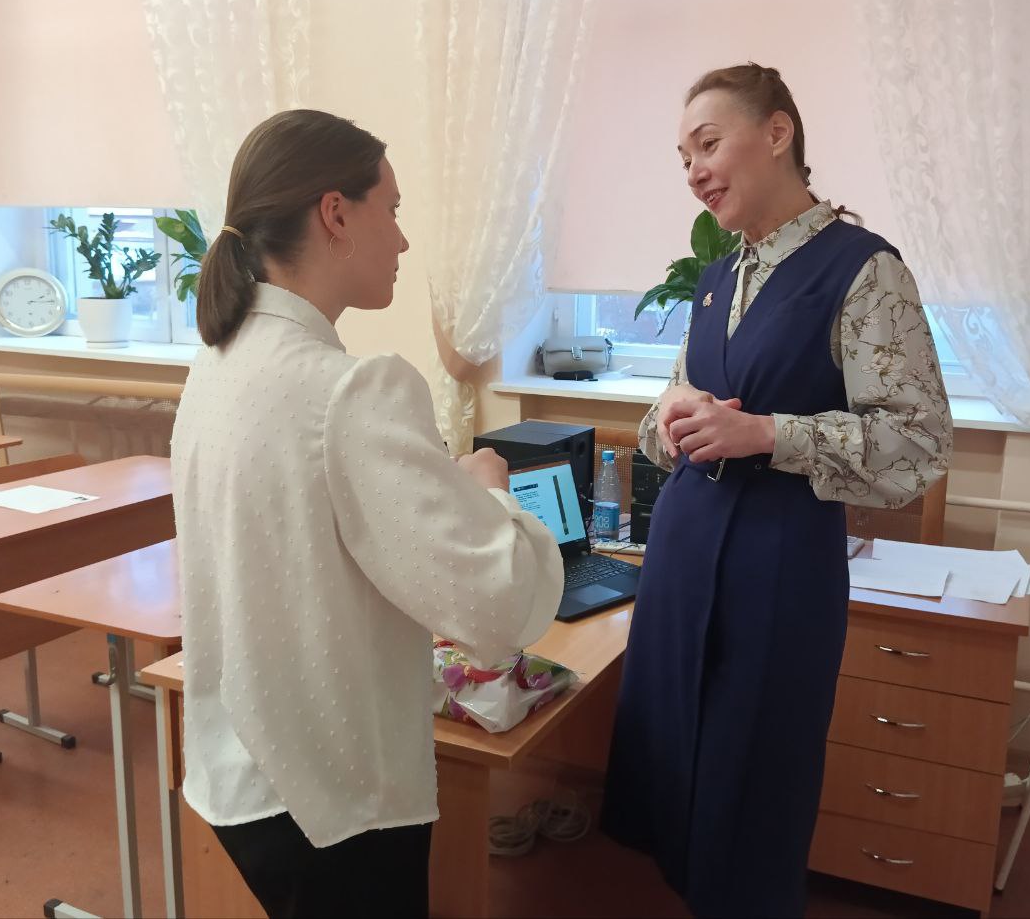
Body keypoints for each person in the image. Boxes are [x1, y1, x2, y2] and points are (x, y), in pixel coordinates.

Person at [170, 109, 563, 918]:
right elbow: (498, 608)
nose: (404, 239)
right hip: (333, 797)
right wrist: (488, 491)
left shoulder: (219, 360)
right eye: (393, 208)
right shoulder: (349, 389)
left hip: (242, 766)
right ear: (336, 214)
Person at [600, 64, 953, 917]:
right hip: (684, 557)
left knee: (753, 776)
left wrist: (768, 434)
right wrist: (670, 417)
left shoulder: (863, 271)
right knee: (675, 764)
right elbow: (666, 414)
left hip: (778, 570)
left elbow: (919, 442)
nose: (694, 171)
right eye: (683, 157)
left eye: (708, 144)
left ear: (778, 133)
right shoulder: (718, 279)